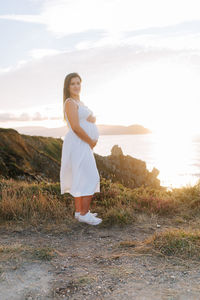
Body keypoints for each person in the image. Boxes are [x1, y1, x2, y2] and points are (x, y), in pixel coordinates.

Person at [60, 72, 102, 225]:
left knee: (80, 177)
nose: (76, 86)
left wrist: (93, 118)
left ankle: (79, 212)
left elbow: (86, 118)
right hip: (79, 143)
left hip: (81, 143)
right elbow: (76, 127)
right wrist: (90, 141)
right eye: (73, 83)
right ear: (68, 86)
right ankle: (84, 214)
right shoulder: (70, 102)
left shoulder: (79, 101)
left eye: (78, 83)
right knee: (91, 177)